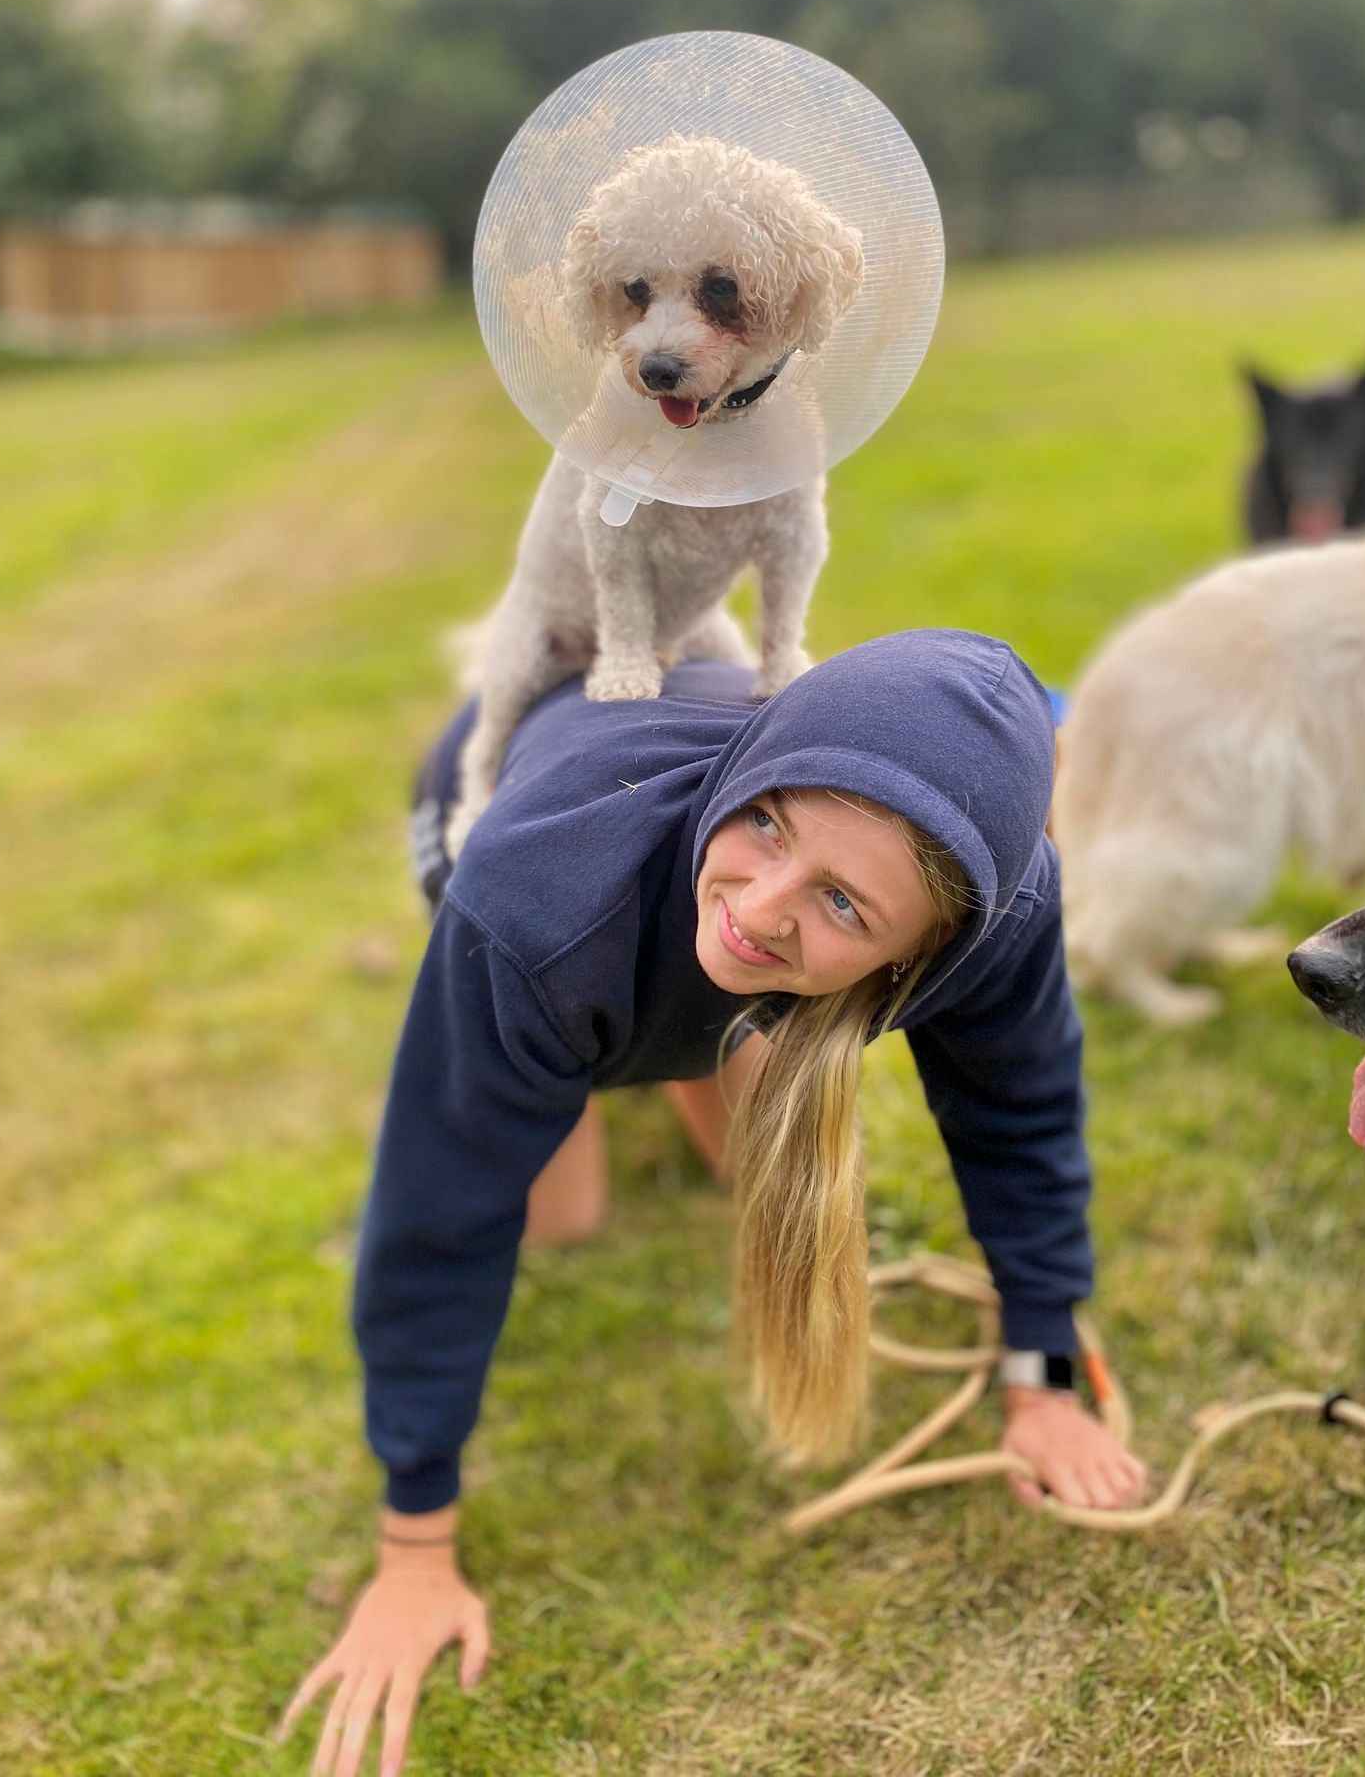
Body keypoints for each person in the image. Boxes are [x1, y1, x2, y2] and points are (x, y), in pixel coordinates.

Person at [278, 629, 1148, 1776]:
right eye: (769, 821)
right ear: (758, 766)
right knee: (559, 1205)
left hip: (662, 882)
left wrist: (1041, 1376)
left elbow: (1020, 1118)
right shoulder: (535, 898)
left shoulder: (1007, 916)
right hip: (507, 798)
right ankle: (605, 1041)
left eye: (842, 900)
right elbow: (439, 1219)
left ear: (930, 949)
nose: (764, 900)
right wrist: (414, 1550)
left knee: (735, 1080)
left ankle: (676, 1025)